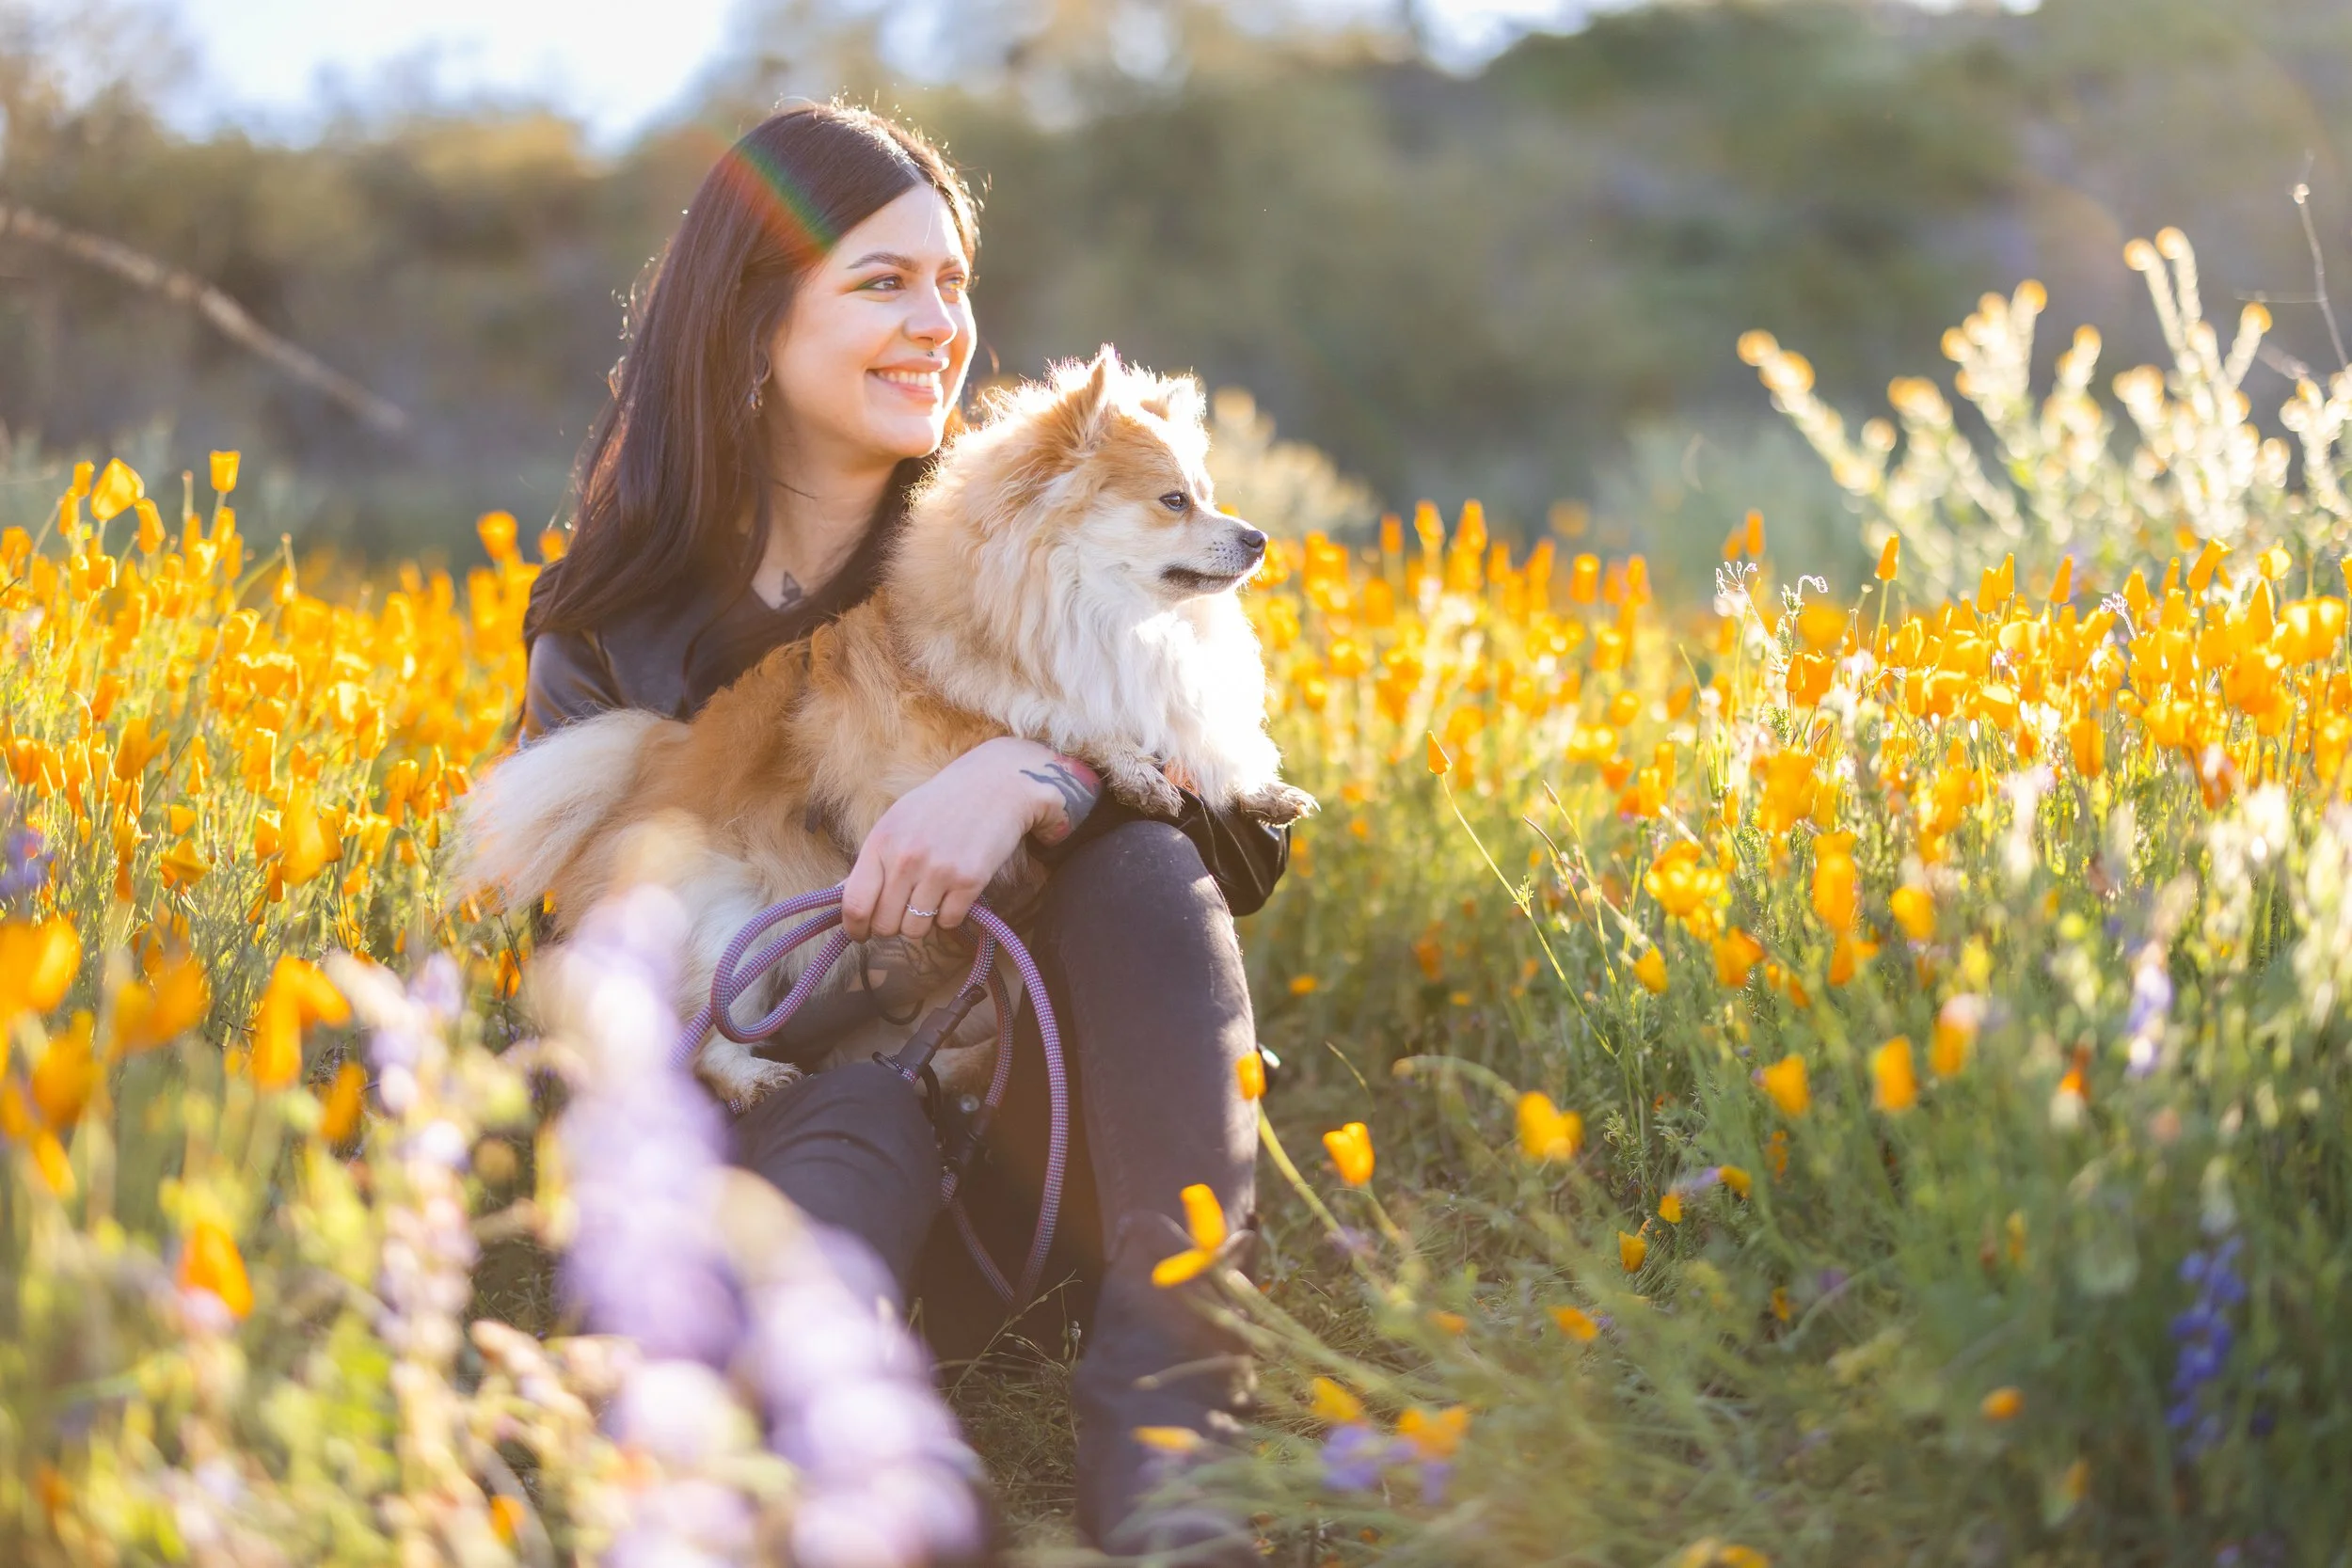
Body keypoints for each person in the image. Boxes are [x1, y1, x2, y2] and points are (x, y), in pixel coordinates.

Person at [518, 102, 1282, 1565]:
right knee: (844, 1131)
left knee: (1140, 862)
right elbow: (584, 951)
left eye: (954, 281)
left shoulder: (1026, 539)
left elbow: (1243, 847)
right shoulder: (612, 626)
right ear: (751, 325)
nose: (941, 321)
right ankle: (862, 1472)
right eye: (884, 283)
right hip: (800, 1136)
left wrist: (1037, 778)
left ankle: (1180, 1449)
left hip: (1033, 1136)